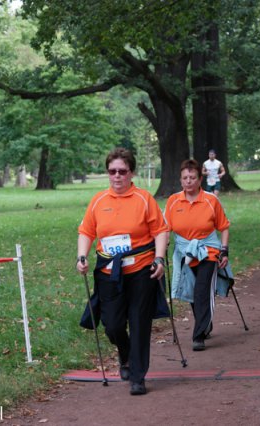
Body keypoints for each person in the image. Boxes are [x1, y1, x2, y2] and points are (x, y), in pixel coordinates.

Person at [76, 147, 169, 396]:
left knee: (139, 321)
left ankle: (138, 376)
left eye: (122, 171)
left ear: (131, 173)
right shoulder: (98, 200)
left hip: (141, 269)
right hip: (109, 271)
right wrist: (82, 256)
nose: (117, 176)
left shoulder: (143, 198)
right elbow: (86, 231)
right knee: (113, 324)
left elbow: (161, 230)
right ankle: (125, 353)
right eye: (112, 171)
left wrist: (159, 259)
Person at [164, 159, 233, 352]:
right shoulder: (173, 201)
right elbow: (165, 228)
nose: (188, 181)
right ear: (180, 179)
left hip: (208, 252)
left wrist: (224, 250)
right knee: (193, 293)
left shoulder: (211, 200)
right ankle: (206, 323)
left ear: (200, 179)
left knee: (202, 291)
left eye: (192, 177)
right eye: (185, 178)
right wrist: (164, 245)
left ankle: (198, 334)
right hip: (185, 253)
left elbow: (224, 227)